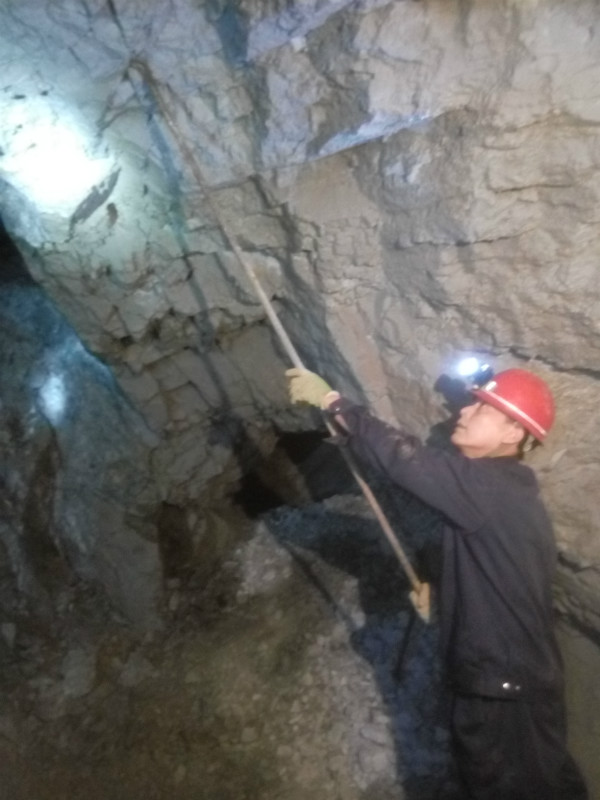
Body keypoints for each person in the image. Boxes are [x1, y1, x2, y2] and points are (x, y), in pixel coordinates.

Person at [285, 366, 588, 800]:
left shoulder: (489, 488)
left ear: (513, 432)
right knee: (545, 779)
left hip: (503, 690)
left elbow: (404, 459)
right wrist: (447, 595)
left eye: (483, 408)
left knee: (509, 787)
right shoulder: (505, 496)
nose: (464, 412)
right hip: (516, 683)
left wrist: (335, 405)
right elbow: (495, 576)